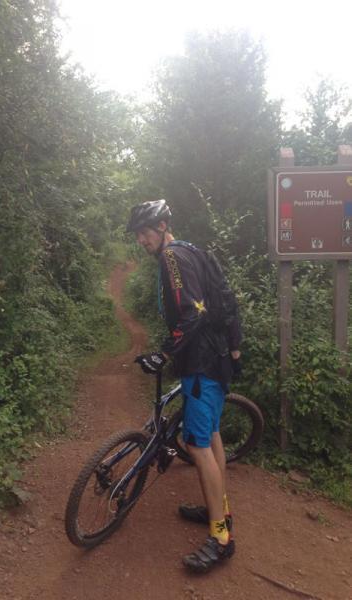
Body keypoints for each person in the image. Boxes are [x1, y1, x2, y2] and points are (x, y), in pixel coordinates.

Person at [126, 199, 242, 574]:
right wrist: (235, 347)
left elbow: (194, 312)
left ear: (162, 227)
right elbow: (225, 298)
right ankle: (218, 511)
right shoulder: (193, 250)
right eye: (138, 235)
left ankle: (221, 538)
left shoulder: (172, 258)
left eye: (145, 232)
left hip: (201, 363)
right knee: (211, 435)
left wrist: (163, 353)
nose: (141, 240)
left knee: (197, 444)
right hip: (219, 358)